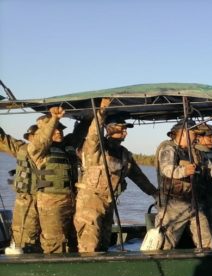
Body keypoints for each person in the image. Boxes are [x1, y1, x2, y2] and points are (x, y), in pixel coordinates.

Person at [74, 99, 157, 252]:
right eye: (121, 129)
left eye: (125, 129)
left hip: (109, 203)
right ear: (109, 128)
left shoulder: (124, 154)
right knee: (89, 245)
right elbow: (93, 135)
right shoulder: (96, 149)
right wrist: (101, 112)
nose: (125, 132)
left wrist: (155, 194)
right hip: (90, 202)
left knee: (105, 243)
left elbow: (139, 178)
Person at [153, 120, 212, 249]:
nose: (197, 137)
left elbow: (211, 172)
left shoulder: (196, 152)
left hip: (195, 204)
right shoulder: (168, 148)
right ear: (183, 133)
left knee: (206, 242)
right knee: (166, 243)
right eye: (194, 134)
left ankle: (207, 264)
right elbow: (167, 170)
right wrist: (185, 171)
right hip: (173, 206)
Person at [27, 107, 87, 253]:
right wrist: (54, 119)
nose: (58, 131)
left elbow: (80, 132)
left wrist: (93, 114)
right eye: (54, 129)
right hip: (51, 204)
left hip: (71, 200)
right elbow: (42, 140)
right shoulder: (38, 150)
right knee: (54, 242)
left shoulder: (67, 146)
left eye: (60, 129)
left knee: (75, 239)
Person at [0, 125, 41, 252]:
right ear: (30, 138)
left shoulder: (56, 149)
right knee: (24, 232)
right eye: (34, 136)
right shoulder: (23, 149)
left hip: (50, 200)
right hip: (27, 198)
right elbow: (3, 139)